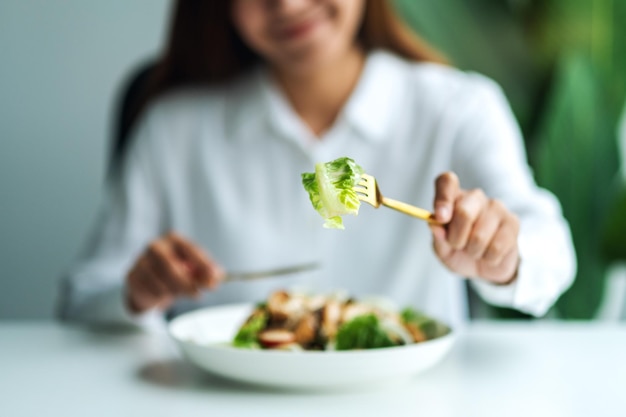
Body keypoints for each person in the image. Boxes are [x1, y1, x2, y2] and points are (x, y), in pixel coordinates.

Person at [58, 0, 575, 330]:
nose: (288, 4)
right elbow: (83, 299)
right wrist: (138, 291)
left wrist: (501, 255)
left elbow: (552, 255)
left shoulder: (460, 106)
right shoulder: (172, 127)